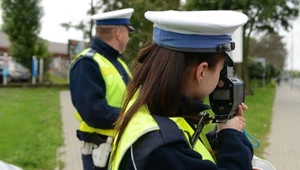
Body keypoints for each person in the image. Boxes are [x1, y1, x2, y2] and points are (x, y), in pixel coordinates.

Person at [109, 10, 254, 170]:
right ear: (201, 71)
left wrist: (221, 135)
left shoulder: (145, 108)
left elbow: (187, 152)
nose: (221, 78)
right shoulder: (164, 149)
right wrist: (233, 138)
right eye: (220, 70)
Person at [68, 8, 134, 170]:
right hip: (101, 153)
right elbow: (93, 112)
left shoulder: (118, 63)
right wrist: (133, 116)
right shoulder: (86, 63)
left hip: (118, 147)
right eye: (127, 33)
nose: (128, 38)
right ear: (119, 33)